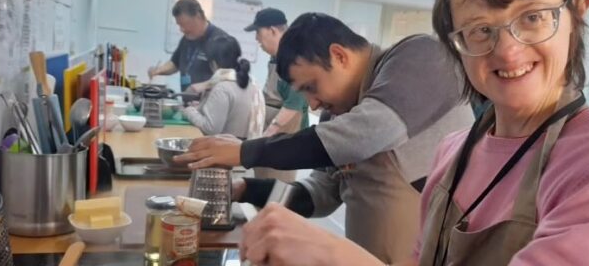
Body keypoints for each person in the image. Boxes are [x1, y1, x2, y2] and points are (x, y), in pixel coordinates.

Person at [235, 0, 589, 265]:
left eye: (533, 16)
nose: (507, 51)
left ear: (578, 11)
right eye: (479, 29)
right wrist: (248, 190)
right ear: (458, 43)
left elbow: (368, 131)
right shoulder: (453, 153)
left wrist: (339, 256)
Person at [177, 13, 473, 263]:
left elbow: (365, 135)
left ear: (339, 55)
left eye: (312, 86)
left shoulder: (421, 57)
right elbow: (320, 194)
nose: (314, 105)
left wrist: (245, 151)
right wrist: (246, 189)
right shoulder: (342, 113)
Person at [243, 7, 310, 182]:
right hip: (270, 130)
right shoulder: (275, 57)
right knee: (260, 186)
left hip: (284, 133)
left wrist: (268, 134)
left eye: (258, 33)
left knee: (275, 191)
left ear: (273, 30)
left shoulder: (294, 57)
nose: (257, 39)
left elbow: (294, 103)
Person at [181, 36, 264, 139]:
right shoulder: (251, 83)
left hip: (225, 149)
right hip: (243, 147)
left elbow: (210, 128)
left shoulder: (222, 88)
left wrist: (189, 111)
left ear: (213, 63)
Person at [148, 0, 229, 91]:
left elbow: (227, 76)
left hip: (209, 103)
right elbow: (175, 63)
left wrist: (204, 86)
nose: (182, 30)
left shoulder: (221, 40)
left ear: (198, 17)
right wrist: (158, 70)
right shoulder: (187, 38)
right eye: (179, 25)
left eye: (184, 24)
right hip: (187, 103)